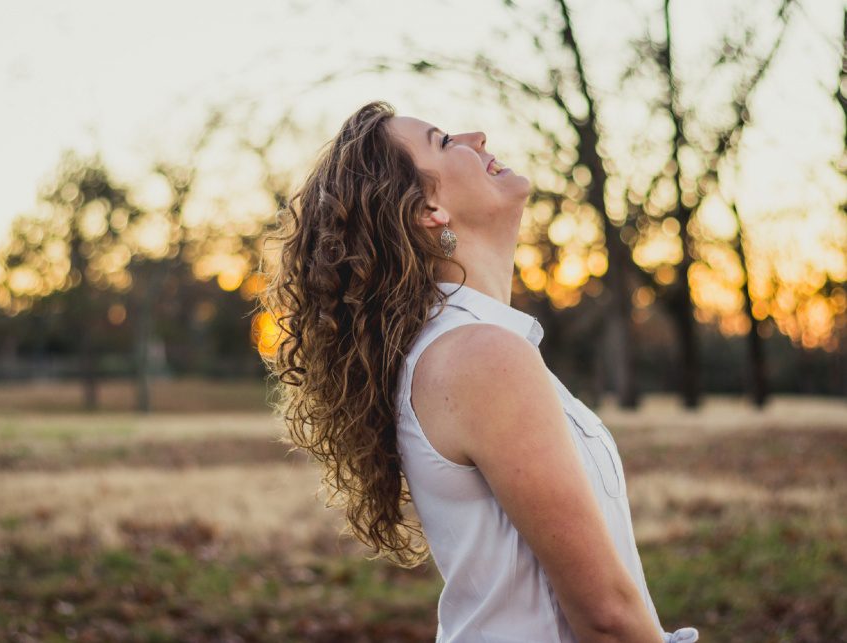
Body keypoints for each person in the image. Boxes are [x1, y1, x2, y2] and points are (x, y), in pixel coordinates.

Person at [257, 100, 699, 642]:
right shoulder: (479, 355)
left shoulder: (463, 347)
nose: (478, 136)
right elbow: (607, 617)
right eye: (444, 142)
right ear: (428, 210)